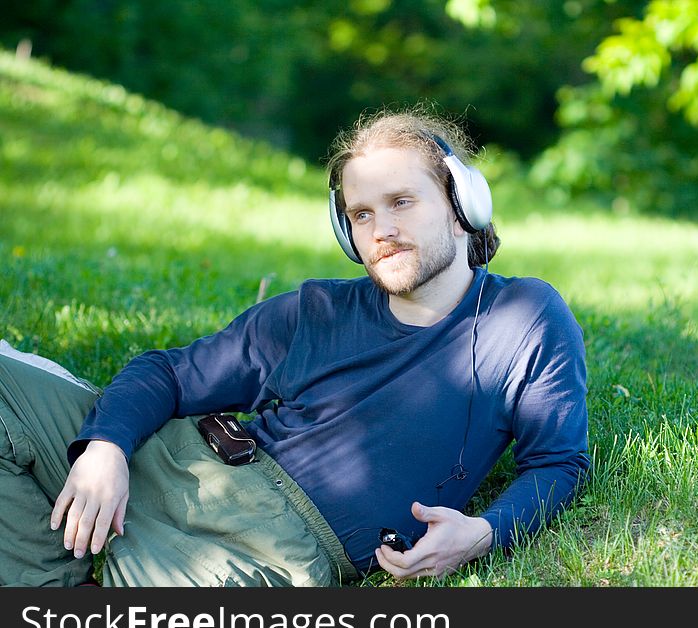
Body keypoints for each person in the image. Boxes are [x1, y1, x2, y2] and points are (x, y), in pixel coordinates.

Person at [0, 108, 589, 587]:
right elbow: (170, 376)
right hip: (178, 460)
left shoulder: (526, 317)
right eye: (361, 214)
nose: (380, 228)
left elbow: (558, 463)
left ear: (463, 207)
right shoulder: (315, 311)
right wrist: (105, 448)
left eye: (401, 202)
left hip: (268, 549)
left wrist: (483, 533)